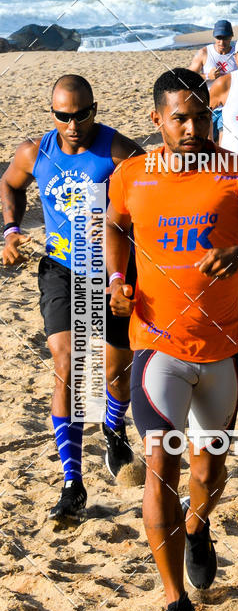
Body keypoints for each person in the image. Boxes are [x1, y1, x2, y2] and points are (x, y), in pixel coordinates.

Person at [106, 67, 238, 611]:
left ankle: (198, 526)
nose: (192, 128)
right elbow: (116, 224)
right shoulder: (132, 175)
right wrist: (119, 278)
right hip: (156, 345)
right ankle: (175, 606)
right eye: (179, 118)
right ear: (157, 121)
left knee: (208, 472)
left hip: (224, 348)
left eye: (200, 116)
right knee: (160, 469)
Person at [0, 75, 144, 519]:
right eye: (63, 115)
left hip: (113, 272)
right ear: (53, 114)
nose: (73, 124)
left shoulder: (120, 151)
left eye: (81, 114)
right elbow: (9, 184)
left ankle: (115, 428)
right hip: (61, 268)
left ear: (94, 110)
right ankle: (72, 481)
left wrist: (129, 230)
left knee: (116, 371)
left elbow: (154, 195)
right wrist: (10, 229)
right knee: (67, 362)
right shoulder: (35, 152)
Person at [189, 19, 237, 140]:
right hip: (208, 106)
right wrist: (207, 77)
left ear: (231, 37)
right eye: (218, 38)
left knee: (223, 141)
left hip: (229, 106)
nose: (221, 42)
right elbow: (188, 77)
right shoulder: (204, 53)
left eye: (225, 38)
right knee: (207, 142)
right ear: (214, 36)